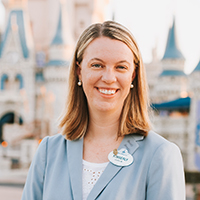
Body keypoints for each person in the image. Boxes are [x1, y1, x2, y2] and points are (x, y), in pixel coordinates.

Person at [22, 21, 185, 200]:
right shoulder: (48, 152)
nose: (108, 77)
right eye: (97, 65)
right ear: (79, 71)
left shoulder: (160, 155)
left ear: (133, 76)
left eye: (121, 67)